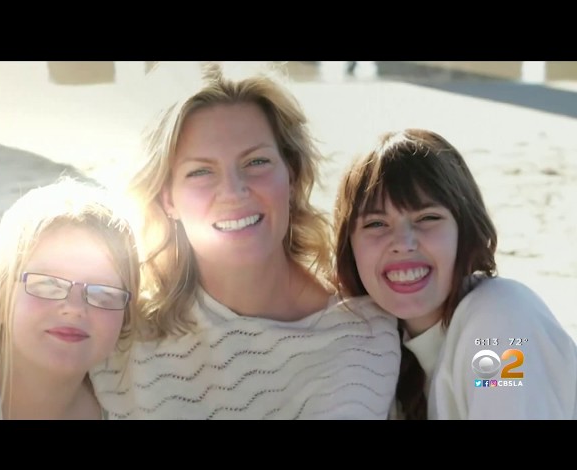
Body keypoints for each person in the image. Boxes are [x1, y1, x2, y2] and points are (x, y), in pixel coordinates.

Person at [90, 61, 400, 419]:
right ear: (168, 198)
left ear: (292, 175)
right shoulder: (119, 337)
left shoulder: (368, 336)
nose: (233, 191)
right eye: (201, 171)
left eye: (256, 162)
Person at [333, 128, 577, 419]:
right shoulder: (373, 346)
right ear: (349, 246)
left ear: (466, 230)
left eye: (428, 217)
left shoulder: (500, 326)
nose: (403, 243)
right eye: (376, 224)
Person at [0, 177, 140, 419]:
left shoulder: (142, 404)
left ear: (126, 316)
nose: (74, 308)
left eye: (103, 292)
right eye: (47, 284)